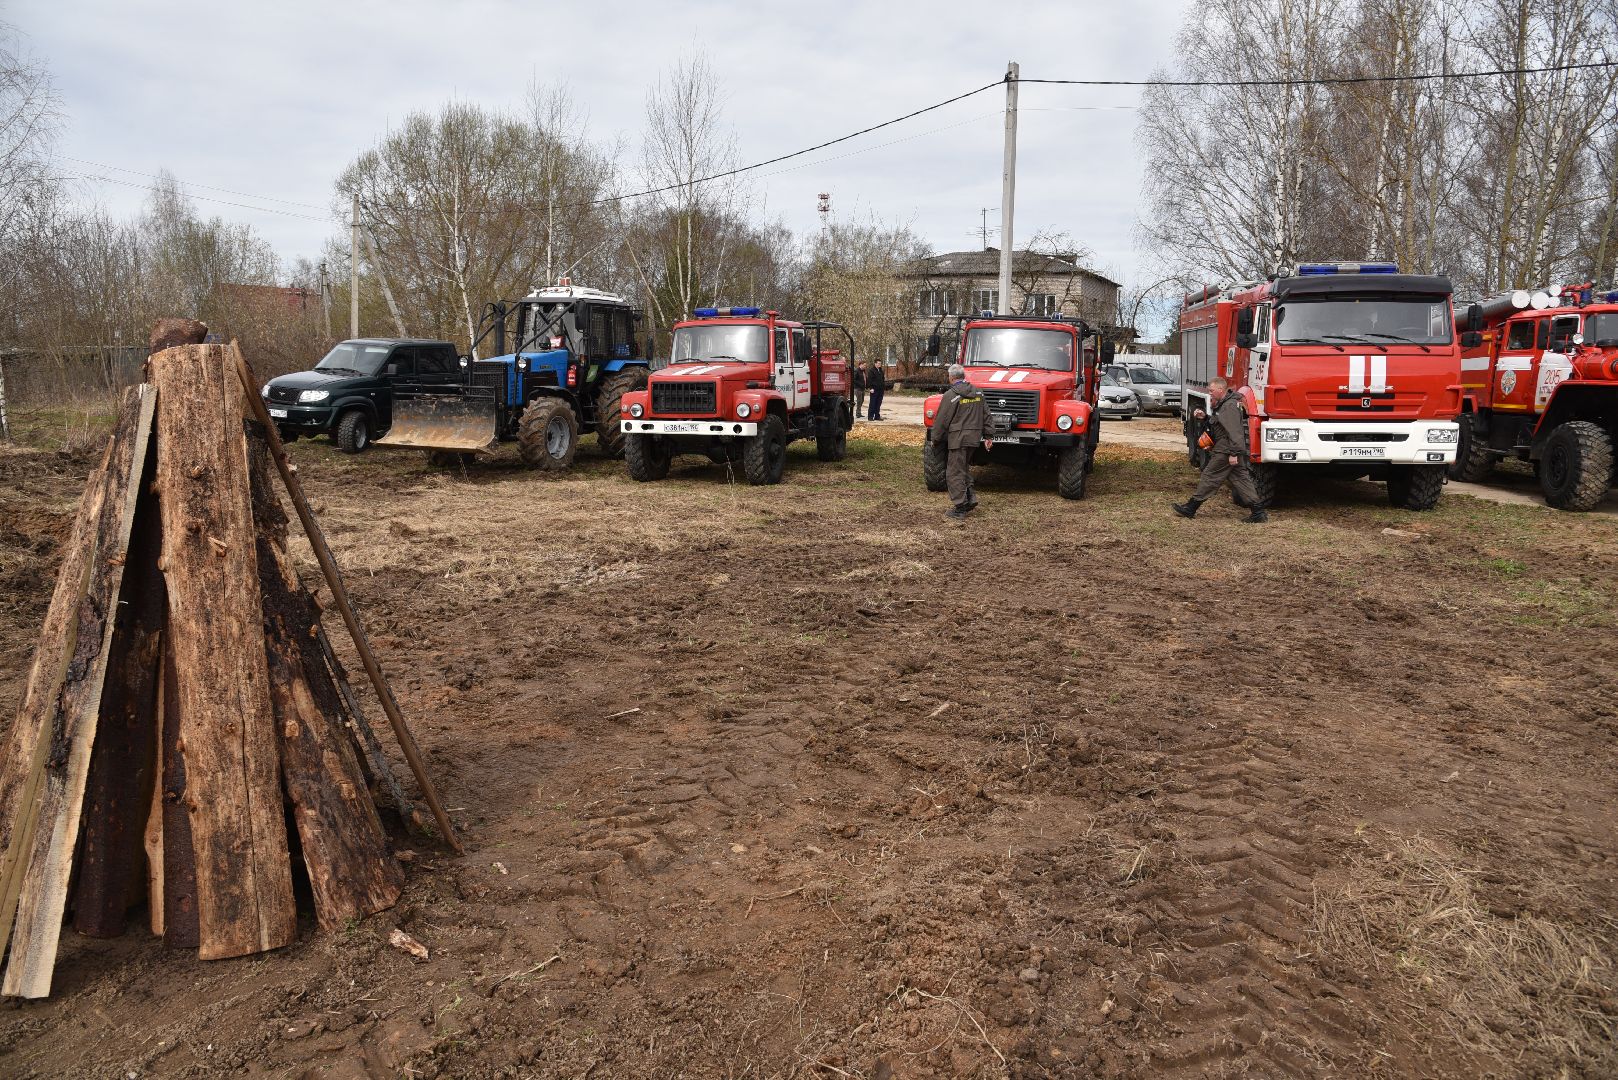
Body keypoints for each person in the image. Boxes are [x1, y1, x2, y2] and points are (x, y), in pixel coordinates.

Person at [1173, 376, 1268, 523]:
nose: (1209, 393)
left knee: (1209, 476)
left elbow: (1234, 431)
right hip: (1229, 448)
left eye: (1211, 390)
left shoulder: (1229, 406)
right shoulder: (1226, 404)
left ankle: (1191, 507)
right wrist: (1205, 417)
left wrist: (1233, 453)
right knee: (1241, 479)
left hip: (1226, 450)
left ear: (1220, 389)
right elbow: (1221, 424)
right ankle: (1258, 512)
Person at [929, 363, 992, 519]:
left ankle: (960, 506)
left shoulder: (951, 396)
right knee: (962, 468)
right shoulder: (978, 392)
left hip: (958, 439)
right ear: (963, 376)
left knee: (954, 472)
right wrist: (989, 435)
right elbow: (986, 415)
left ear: (951, 378)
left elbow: (942, 420)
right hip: (974, 439)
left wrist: (935, 438)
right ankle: (970, 498)